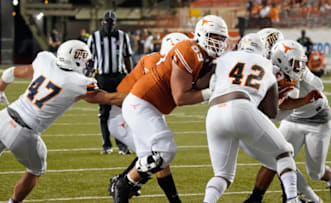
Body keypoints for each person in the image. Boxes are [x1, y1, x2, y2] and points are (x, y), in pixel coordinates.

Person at [111, 15, 228, 203]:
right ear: (201, 34)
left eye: (222, 38)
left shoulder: (204, 57)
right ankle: (124, 183)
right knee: (165, 150)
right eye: (214, 37)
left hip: (151, 106)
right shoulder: (189, 50)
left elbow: (196, 84)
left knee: (156, 160)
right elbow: (180, 97)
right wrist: (210, 92)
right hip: (141, 103)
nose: (218, 42)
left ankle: (124, 189)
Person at [0, 40, 120, 203]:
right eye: (84, 58)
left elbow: (13, 72)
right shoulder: (78, 82)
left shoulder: (45, 60)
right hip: (24, 132)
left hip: (5, 116)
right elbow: (108, 98)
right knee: (36, 170)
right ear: (75, 59)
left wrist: (1, 86)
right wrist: (139, 96)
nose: (86, 64)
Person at [203, 33, 301, 203]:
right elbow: (271, 112)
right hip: (241, 106)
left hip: (213, 112)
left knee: (223, 175)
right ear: (263, 50)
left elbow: (203, 82)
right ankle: (293, 199)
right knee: (285, 152)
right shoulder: (266, 65)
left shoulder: (225, 58)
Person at [244, 40, 331, 203]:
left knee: (315, 173)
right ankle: (261, 197)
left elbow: (288, 102)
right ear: (281, 61)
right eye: (296, 63)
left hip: (317, 120)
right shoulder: (271, 67)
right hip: (292, 119)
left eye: (301, 63)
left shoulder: (309, 80)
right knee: (276, 158)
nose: (300, 67)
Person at [107, 32, 190, 203]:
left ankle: (124, 183)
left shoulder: (166, 64)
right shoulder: (155, 64)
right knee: (159, 154)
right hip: (128, 113)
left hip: (144, 109)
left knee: (158, 156)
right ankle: (122, 183)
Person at [87, 10, 133, 155]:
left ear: (115, 22)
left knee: (121, 112)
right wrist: (88, 76)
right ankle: (106, 144)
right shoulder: (94, 37)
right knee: (104, 112)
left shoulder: (122, 36)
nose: (109, 24)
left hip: (119, 77)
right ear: (102, 22)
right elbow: (89, 59)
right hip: (102, 77)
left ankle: (122, 145)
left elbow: (127, 57)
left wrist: (130, 76)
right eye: (107, 21)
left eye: (111, 21)